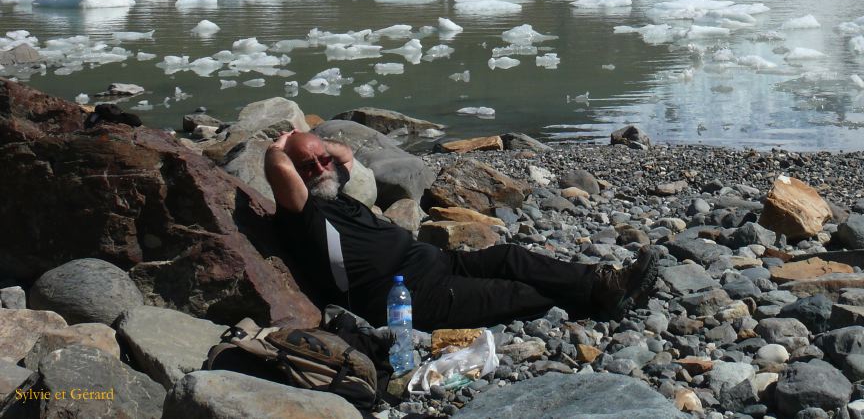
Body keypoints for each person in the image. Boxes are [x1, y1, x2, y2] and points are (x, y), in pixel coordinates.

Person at [265, 130, 658, 329]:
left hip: (435, 263)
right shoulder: (303, 216)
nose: (319, 169)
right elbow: (279, 167)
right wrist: (280, 146)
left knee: (510, 255)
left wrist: (311, 143)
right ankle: (594, 304)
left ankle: (607, 284)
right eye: (308, 166)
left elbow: (344, 154)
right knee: (513, 293)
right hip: (404, 297)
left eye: (321, 161)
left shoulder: (335, 191)